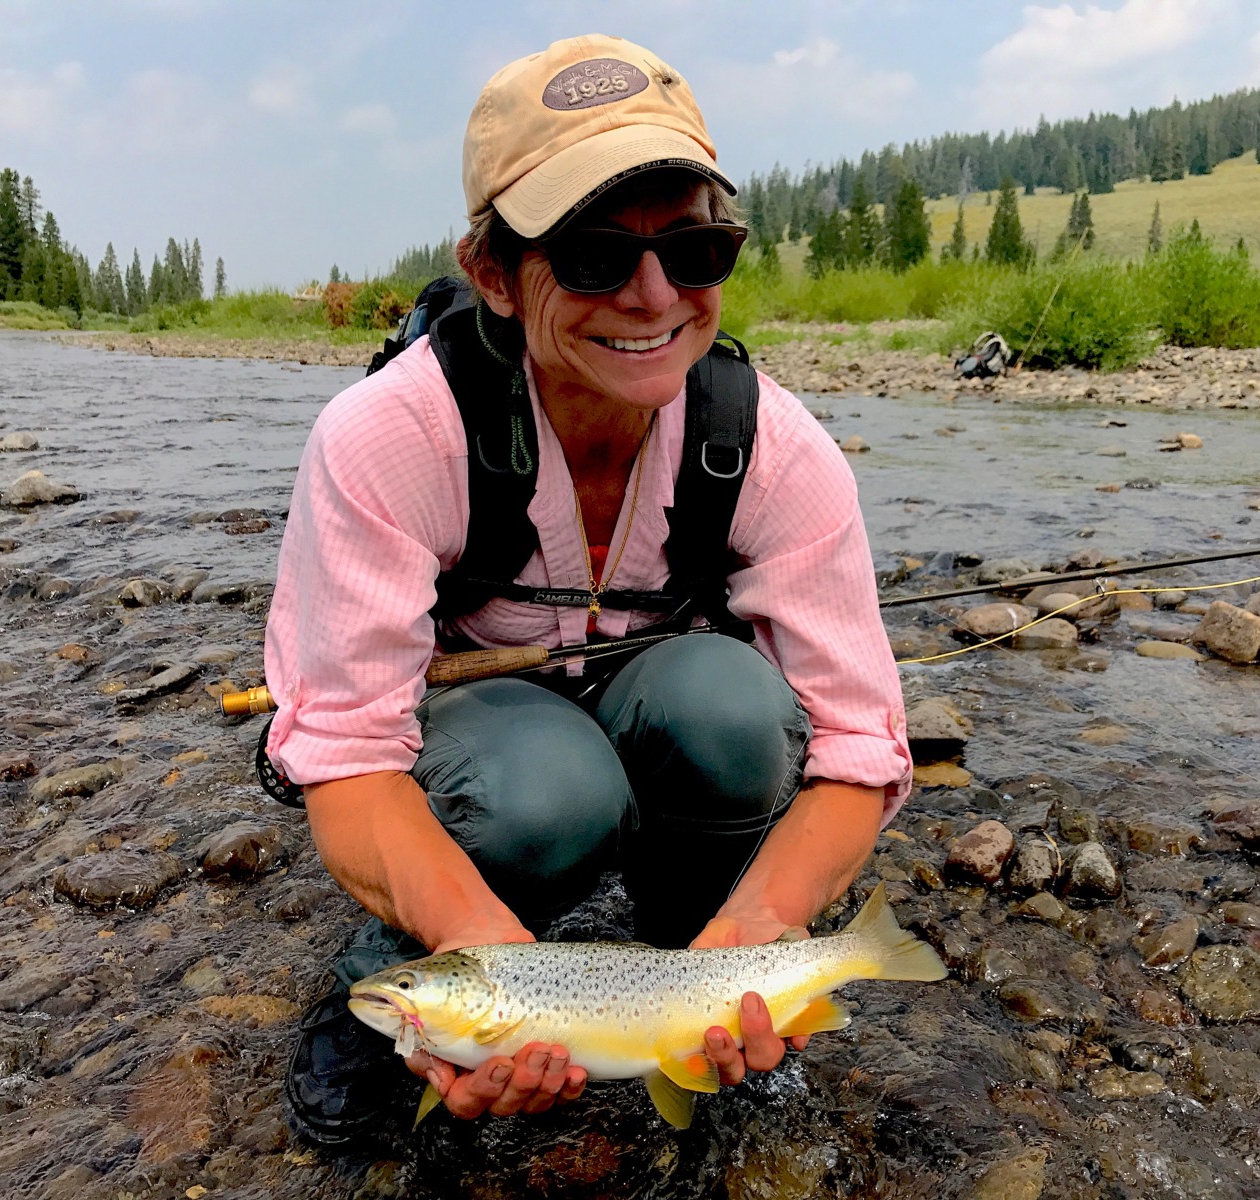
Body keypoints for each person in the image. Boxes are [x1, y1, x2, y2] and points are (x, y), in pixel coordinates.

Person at [263, 33, 911, 1144]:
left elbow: (861, 745)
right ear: (493, 275)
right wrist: (487, 971)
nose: (653, 295)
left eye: (696, 247)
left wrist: (757, 936)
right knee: (550, 791)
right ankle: (388, 986)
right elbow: (349, 758)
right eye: (595, 254)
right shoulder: (387, 440)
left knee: (735, 708)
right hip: (483, 743)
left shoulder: (774, 446)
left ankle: (683, 956)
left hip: (659, 707)